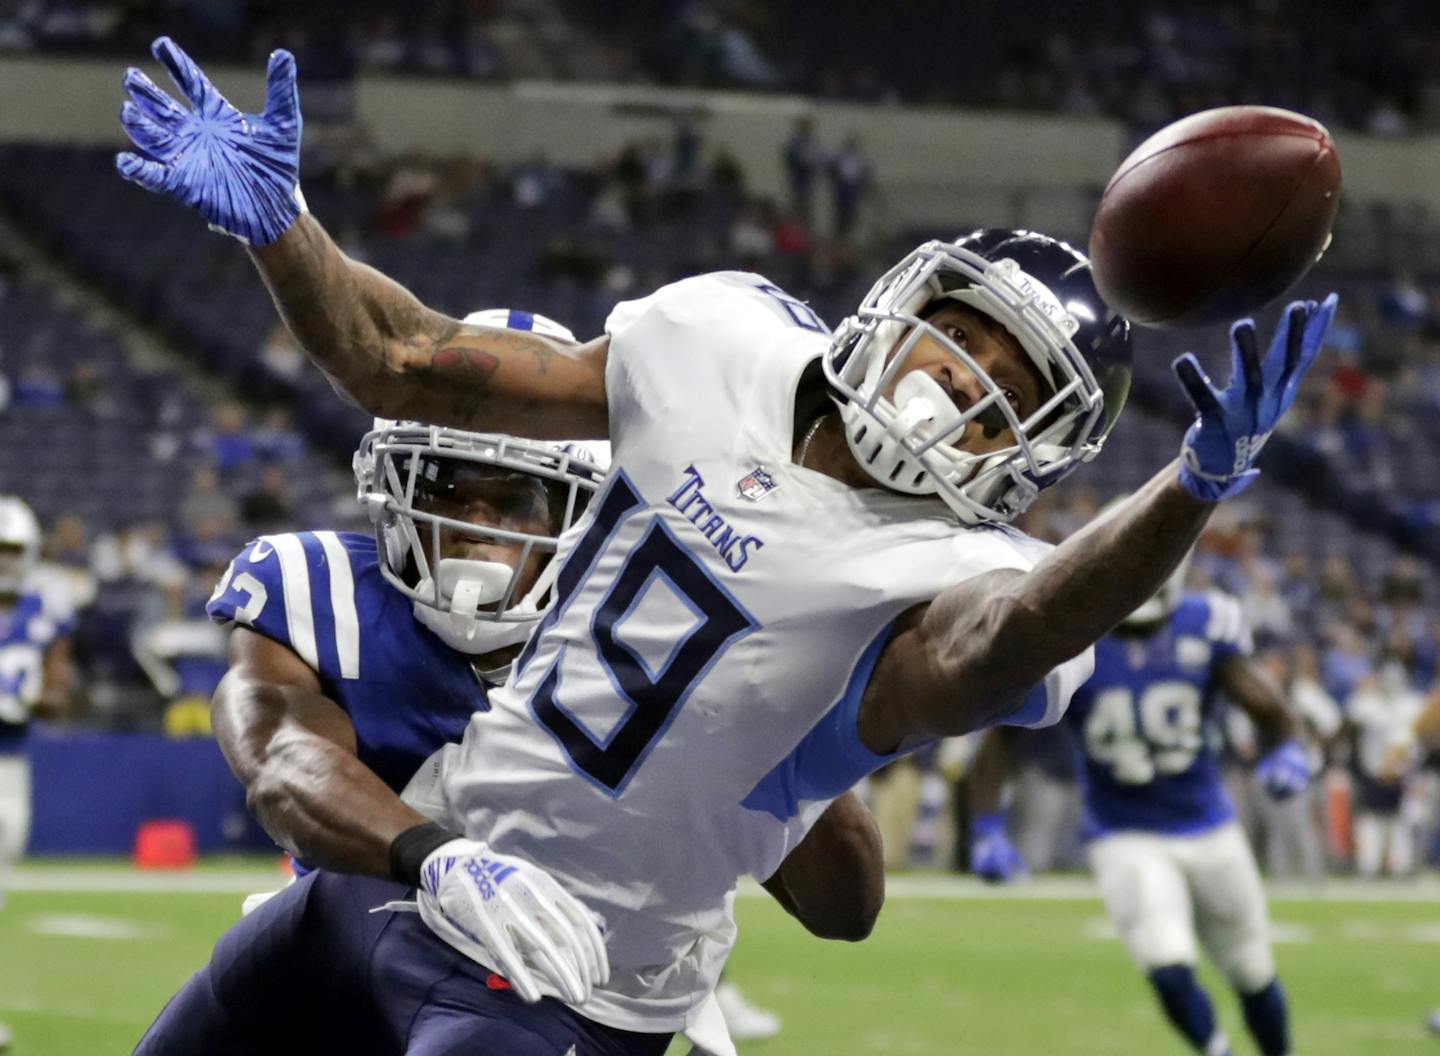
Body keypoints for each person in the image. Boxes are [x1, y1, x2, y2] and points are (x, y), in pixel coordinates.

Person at [115, 37, 1335, 1052]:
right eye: (960, 339)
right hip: (404, 871)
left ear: (1040, 456)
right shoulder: (724, 341)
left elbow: (1012, 637)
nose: (960, 387)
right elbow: (405, 364)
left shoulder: (955, 573)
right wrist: (282, 227)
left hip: (568, 977)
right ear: (900, 303)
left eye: (1012, 389)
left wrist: (1191, 485)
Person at [139, 310, 877, 1056]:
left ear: (586, 515)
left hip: (555, 996)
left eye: (518, 497)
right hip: (344, 954)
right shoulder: (315, 587)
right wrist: (436, 855)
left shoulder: (656, 638)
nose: (476, 523)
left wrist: (782, 716)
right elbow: (279, 762)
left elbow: (844, 906)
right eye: (446, 486)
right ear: (391, 480)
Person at [968, 542, 1312, 1056]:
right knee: (1167, 963)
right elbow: (1000, 738)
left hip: (1209, 825)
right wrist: (986, 826)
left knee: (1252, 970)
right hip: (1122, 833)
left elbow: (1269, 708)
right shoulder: (1074, 639)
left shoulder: (1207, 621)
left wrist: (1289, 749)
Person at [0, 496, 75, 1054]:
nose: (4, 560)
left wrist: (33, 699)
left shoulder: (45, 610)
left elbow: (56, 692)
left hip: (10, 766)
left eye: (12, 550)